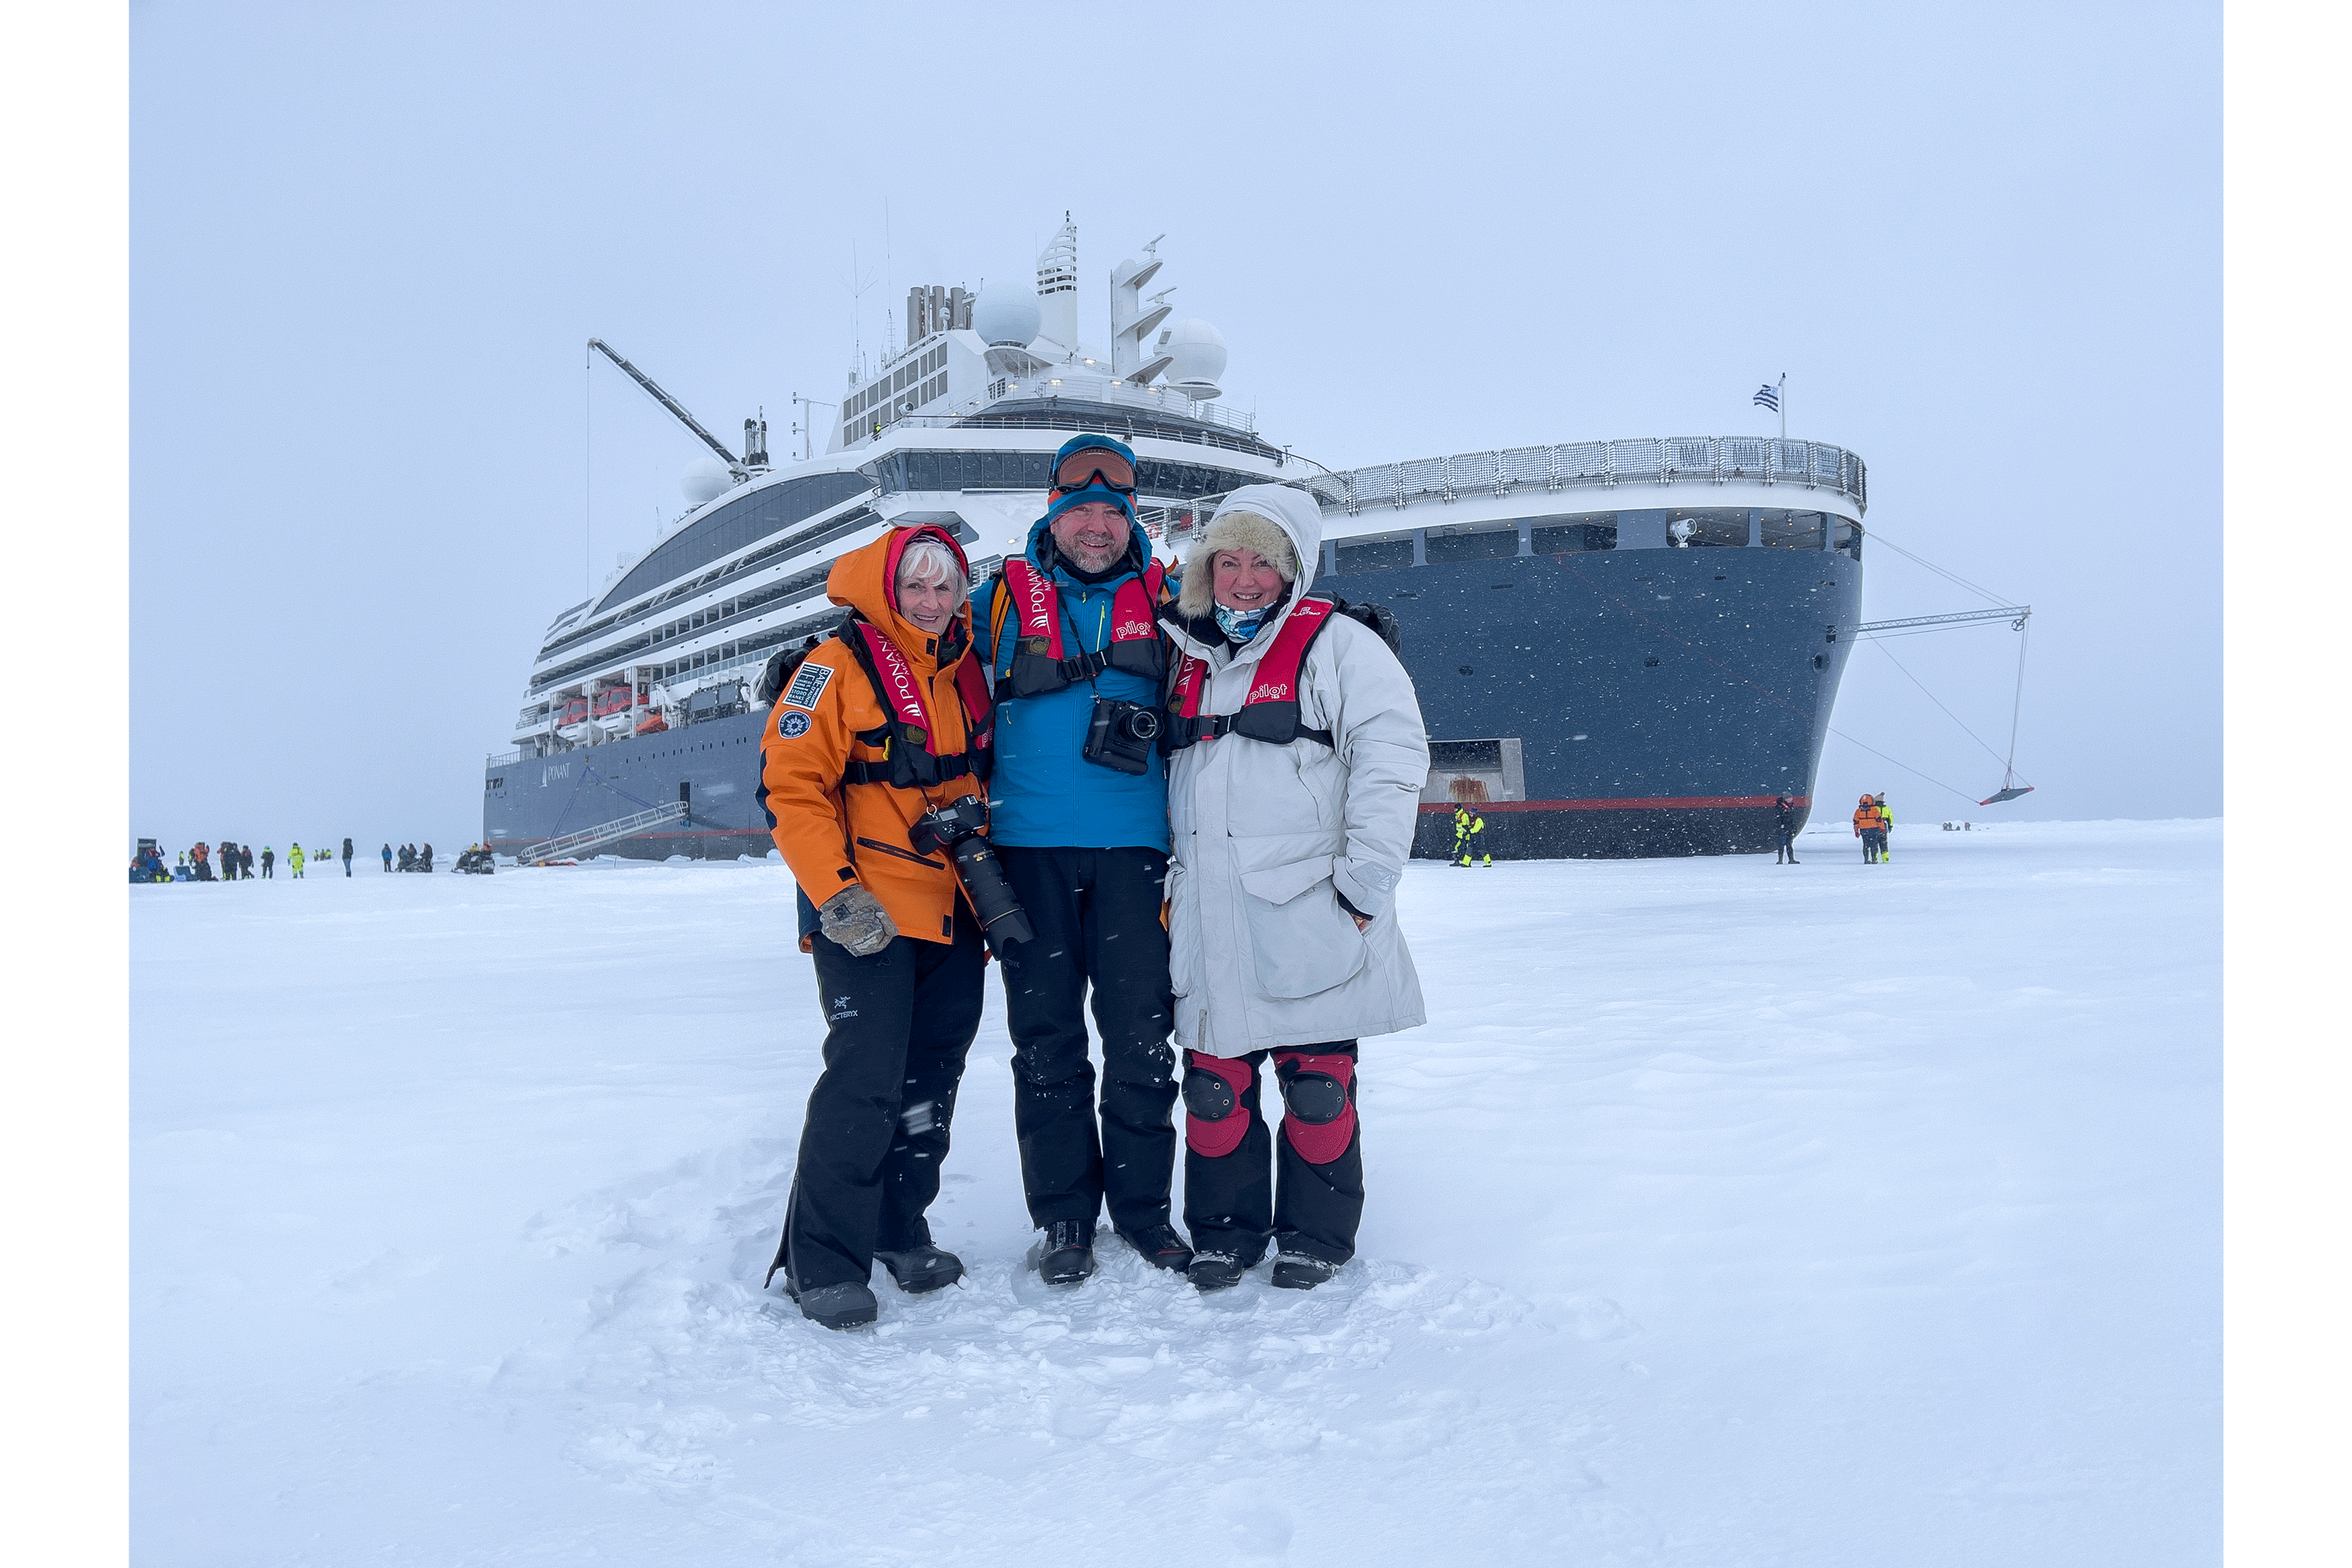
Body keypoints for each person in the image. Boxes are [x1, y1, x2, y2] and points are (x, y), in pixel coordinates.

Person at [1157, 485, 1429, 1294]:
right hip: (1206, 912)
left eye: (1262, 563)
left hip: (1311, 906)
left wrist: (1365, 883)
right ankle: (1226, 1234)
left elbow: (1393, 761)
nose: (1243, 579)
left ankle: (1315, 1236)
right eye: (1228, 560)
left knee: (1316, 1087)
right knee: (1214, 1089)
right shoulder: (1186, 656)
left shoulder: (1341, 646)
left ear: (1293, 571)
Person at [757, 523, 997, 1330]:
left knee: (931, 1083)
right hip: (866, 914)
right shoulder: (831, 670)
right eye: (916, 587)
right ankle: (821, 1257)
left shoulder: (965, 670)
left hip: (954, 910)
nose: (930, 603)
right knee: (864, 1080)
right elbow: (792, 792)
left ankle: (902, 1225)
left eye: (945, 588)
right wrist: (837, 894)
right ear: (885, 590)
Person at [969, 434, 1189, 1285]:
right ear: (1052, 514)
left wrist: (1342, 624)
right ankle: (1064, 1215)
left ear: (1130, 517)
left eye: (1112, 511)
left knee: (1142, 1037)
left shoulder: (1170, 599)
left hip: (1136, 850)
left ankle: (1143, 1212)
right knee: (1046, 1042)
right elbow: (914, 653)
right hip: (1028, 851)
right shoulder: (993, 602)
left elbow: (1252, 643)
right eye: (1080, 510)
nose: (1097, 526)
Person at [1450, 801, 1488, 866]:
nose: (1470, 815)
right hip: (1473, 836)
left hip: (1478, 836)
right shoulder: (1472, 820)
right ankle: (1466, 863)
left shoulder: (1478, 820)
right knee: (1469, 849)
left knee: (1482, 850)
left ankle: (1488, 862)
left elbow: (1476, 829)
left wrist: (1469, 831)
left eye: (1471, 813)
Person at [1850, 796, 1878, 863]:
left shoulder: (1858, 811)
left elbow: (1856, 822)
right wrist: (1882, 828)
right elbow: (1879, 820)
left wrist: (1856, 831)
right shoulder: (1874, 810)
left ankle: (1866, 859)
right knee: (1874, 845)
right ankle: (1874, 859)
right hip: (1874, 829)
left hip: (1863, 830)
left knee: (1865, 844)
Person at [1774, 795, 1800, 864]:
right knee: (1781, 845)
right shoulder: (1780, 807)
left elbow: (1791, 819)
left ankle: (1791, 859)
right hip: (1783, 828)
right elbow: (1778, 818)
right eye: (1788, 798)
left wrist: (1793, 828)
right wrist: (1780, 827)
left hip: (1789, 828)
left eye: (1791, 798)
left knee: (1789, 844)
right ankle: (1780, 860)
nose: (1790, 799)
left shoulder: (1791, 806)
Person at [1873, 793, 1893, 862]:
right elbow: (1890, 818)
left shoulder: (1873, 809)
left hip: (1875, 826)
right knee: (1884, 843)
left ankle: (1874, 858)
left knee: (1874, 843)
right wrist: (1890, 826)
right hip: (1884, 826)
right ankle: (1886, 859)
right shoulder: (1887, 809)